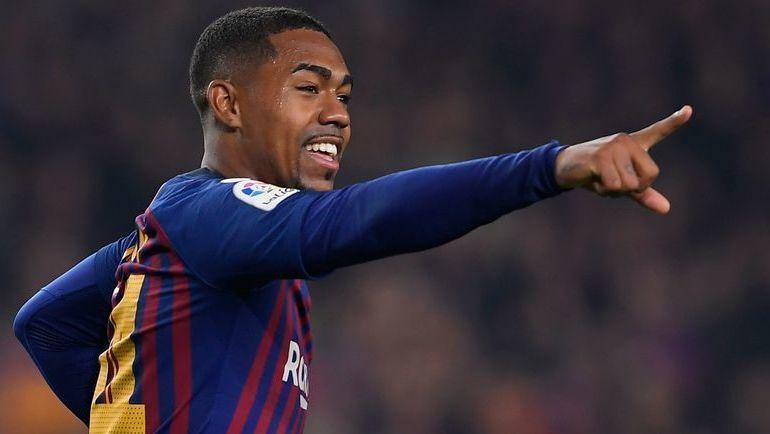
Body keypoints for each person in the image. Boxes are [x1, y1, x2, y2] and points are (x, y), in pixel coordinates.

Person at [13, 6, 692, 434]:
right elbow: (350, 222)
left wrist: (132, 422)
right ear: (228, 103)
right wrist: (550, 167)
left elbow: (45, 323)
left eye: (344, 95)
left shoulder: (174, 241)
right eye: (309, 88)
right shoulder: (207, 213)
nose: (337, 113)